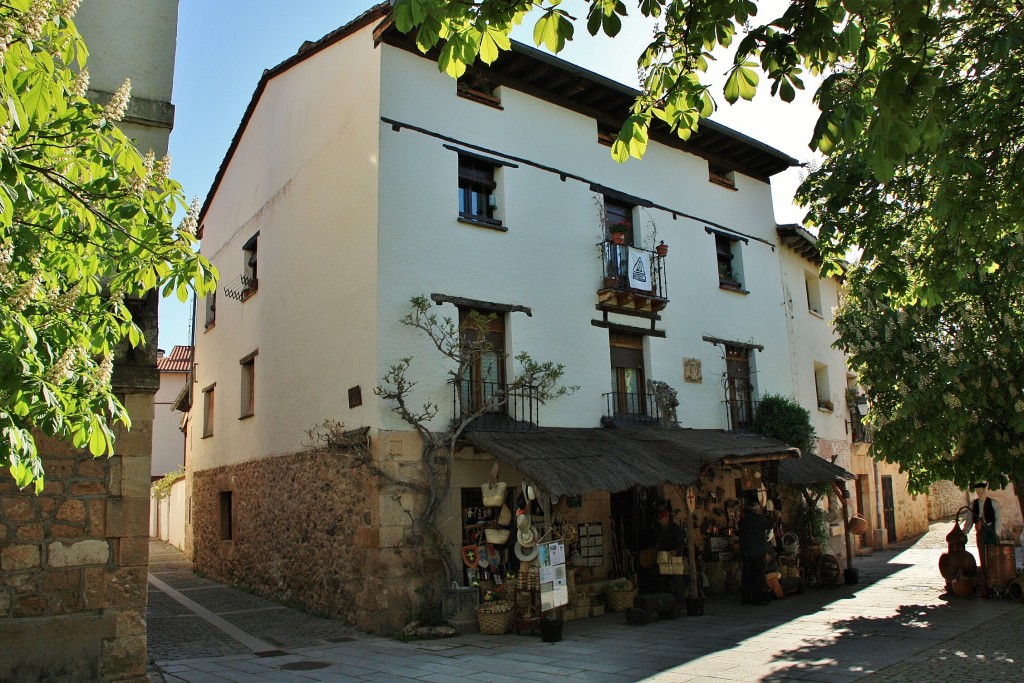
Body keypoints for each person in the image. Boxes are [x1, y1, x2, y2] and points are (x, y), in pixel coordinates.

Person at [739, 501, 773, 605]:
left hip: (746, 552)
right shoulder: (760, 519)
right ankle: (756, 598)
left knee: (746, 576)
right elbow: (772, 523)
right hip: (758, 552)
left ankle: (746, 598)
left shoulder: (743, 520)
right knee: (757, 576)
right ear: (758, 509)